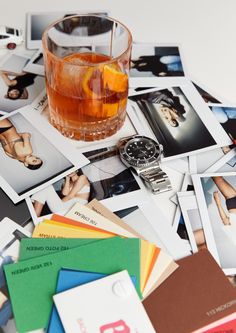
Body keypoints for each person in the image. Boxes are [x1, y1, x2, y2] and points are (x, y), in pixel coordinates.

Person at [212, 176, 236, 245]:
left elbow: (225, 220)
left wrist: (218, 202)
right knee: (218, 177)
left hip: (233, 203)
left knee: (218, 178)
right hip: (233, 201)